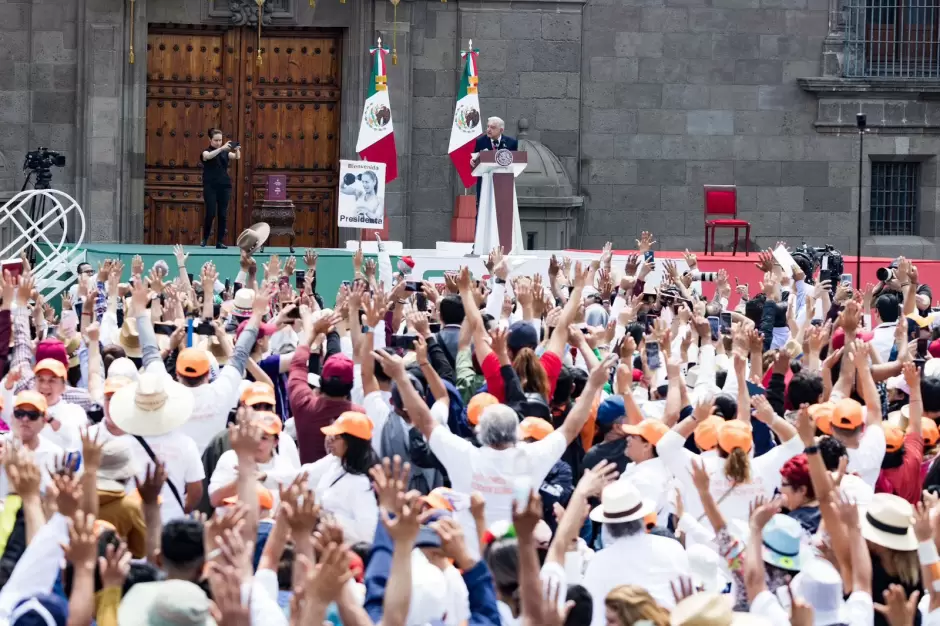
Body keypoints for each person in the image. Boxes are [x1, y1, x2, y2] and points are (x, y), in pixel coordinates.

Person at [583, 480, 689, 623]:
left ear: (607, 525)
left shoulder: (598, 562)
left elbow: (595, 618)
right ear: (642, 517)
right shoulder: (672, 547)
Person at [300, 411, 379, 543]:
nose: (330, 439)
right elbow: (305, 473)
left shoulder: (361, 483)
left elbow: (368, 533)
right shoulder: (334, 462)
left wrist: (328, 517)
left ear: (351, 443)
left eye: (337, 437)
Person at [200, 127, 240, 249]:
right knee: (211, 213)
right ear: (210, 139)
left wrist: (237, 149)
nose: (218, 143)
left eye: (220, 140)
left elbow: (236, 157)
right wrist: (221, 148)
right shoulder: (206, 152)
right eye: (216, 140)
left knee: (222, 214)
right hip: (210, 186)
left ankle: (219, 242)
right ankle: (205, 238)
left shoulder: (225, 152)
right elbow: (208, 156)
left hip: (224, 186)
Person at [471, 117, 518, 203]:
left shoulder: (511, 143)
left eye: (492, 127)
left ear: (501, 130)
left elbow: (515, 163)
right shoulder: (480, 141)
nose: (488, 130)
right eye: (488, 126)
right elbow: (475, 158)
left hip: (503, 183)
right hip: (485, 183)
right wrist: (473, 161)